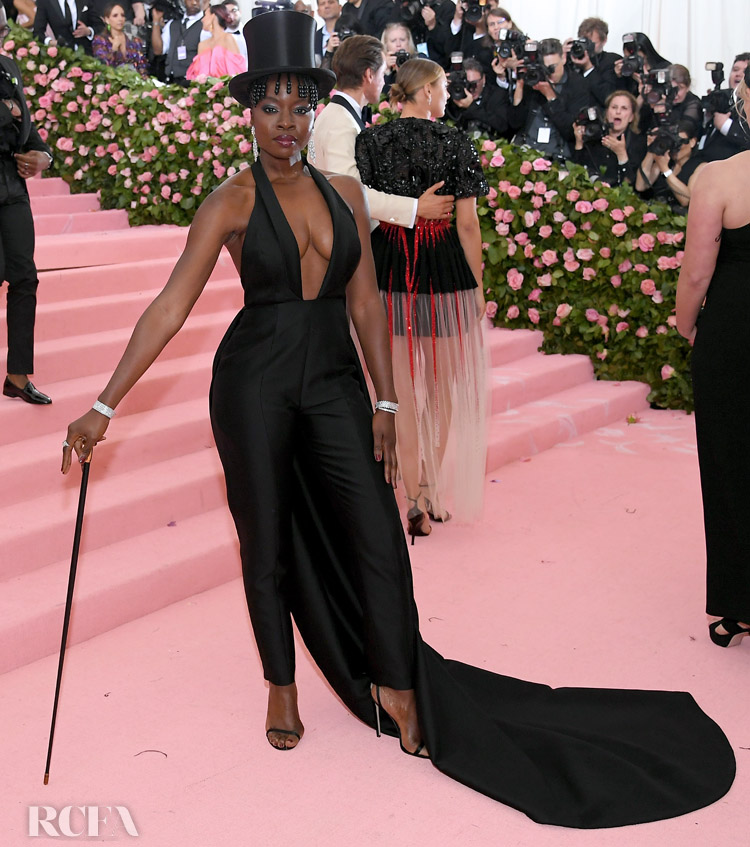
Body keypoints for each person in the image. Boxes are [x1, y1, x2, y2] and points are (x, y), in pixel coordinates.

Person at [60, 9, 736, 831]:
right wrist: (102, 405)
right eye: (269, 107)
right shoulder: (229, 202)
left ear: (315, 110)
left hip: (335, 380)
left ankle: (400, 682)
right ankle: (282, 681)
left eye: (298, 107)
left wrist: (384, 399)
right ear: (247, 111)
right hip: (254, 382)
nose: (284, 123)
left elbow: (367, 303)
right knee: (265, 539)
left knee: (378, 531)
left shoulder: (344, 191)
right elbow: (171, 307)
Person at [355, 57, 488, 533]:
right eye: (444, 86)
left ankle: (410, 494)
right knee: (441, 384)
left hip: (387, 263)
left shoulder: (370, 139)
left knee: (401, 391)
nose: (447, 94)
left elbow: (361, 208)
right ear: (427, 91)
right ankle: (430, 487)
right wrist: (476, 286)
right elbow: (468, 224)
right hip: (441, 267)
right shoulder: (455, 141)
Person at [675, 73, 750, 650]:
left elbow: (697, 271)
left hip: (735, 335)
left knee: (731, 464)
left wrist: (685, 324)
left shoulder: (720, 176)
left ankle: (741, 602)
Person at [311, 35, 453, 231]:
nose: (384, 80)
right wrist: (416, 207)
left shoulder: (338, 115)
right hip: (345, 240)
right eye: (383, 72)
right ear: (369, 75)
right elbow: (350, 192)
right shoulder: (339, 122)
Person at [0, 9, 53, 406]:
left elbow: (27, 128)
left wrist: (42, 157)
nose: (0, 36)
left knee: (25, 278)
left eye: (2, 28)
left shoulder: (8, 66)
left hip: (12, 187)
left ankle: (17, 376)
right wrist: (8, 114)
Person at [508, 37, 590, 160]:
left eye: (552, 68)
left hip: (559, 155)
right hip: (527, 152)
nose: (549, 73)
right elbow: (514, 122)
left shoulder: (578, 85)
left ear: (563, 58)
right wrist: (520, 85)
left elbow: (570, 132)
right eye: (544, 68)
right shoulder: (534, 79)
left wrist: (550, 96)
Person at [572, 90, 646, 186]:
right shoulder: (594, 136)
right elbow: (577, 170)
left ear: (631, 117)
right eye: (614, 107)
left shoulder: (638, 143)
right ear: (607, 113)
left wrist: (621, 155)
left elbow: (632, 184)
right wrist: (579, 142)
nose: (618, 112)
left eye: (624, 108)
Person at [635, 119, 699, 210]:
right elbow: (640, 186)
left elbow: (686, 200)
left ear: (692, 142)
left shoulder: (700, 167)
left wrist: (665, 170)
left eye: (679, 142)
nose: (675, 147)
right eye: (673, 141)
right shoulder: (665, 161)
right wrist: (652, 149)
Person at [444, 55, 511, 139]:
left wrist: (471, 106)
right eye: (467, 83)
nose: (472, 88)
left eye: (475, 83)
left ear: (483, 79)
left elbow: (502, 126)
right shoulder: (455, 93)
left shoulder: (497, 95)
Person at [565, 16, 620, 107]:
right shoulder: (570, 60)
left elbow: (609, 97)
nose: (586, 48)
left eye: (590, 44)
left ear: (604, 40)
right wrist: (561, 59)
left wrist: (588, 68)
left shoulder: (611, 61)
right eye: (583, 42)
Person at [186, 2, 246, 80]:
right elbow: (198, 75)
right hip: (205, 90)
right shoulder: (202, 44)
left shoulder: (228, 38)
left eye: (205, 16)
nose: (202, 20)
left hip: (226, 90)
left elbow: (237, 72)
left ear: (213, 16)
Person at [151, 0, 203, 86]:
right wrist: (156, 21)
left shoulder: (206, 25)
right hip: (171, 80)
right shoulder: (172, 24)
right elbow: (158, 50)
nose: (194, 3)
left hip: (192, 82)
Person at [91, 2, 148, 77]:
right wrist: (114, 49)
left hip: (135, 82)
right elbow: (102, 67)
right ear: (107, 20)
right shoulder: (100, 40)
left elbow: (142, 65)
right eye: (115, 16)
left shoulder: (134, 40)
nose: (120, 19)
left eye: (122, 15)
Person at [381, 22, 419, 95]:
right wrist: (386, 70)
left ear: (408, 41)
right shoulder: (380, 66)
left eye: (402, 39)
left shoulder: (420, 59)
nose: (398, 44)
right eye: (393, 41)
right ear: (386, 44)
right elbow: (382, 97)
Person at [313, 0, 341, 67]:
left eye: (331, 2)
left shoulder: (350, 30)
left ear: (340, 7)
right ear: (318, 12)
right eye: (322, 4)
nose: (327, 6)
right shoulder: (314, 37)